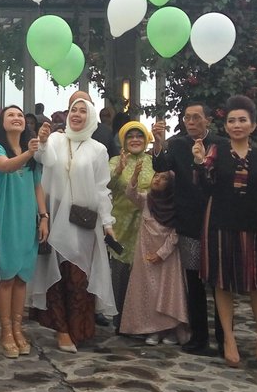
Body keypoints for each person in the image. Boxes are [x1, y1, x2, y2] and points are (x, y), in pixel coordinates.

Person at [195, 95, 257, 368]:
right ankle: (229, 338)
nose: (237, 125)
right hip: (220, 223)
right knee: (222, 282)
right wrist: (201, 164)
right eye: (232, 120)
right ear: (226, 125)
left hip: (253, 226)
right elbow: (206, 188)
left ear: (253, 125)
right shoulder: (216, 151)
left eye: (243, 120)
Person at [31, 94, 116, 352]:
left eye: (82, 111)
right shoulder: (56, 140)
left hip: (83, 223)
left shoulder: (98, 149)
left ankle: (80, 327)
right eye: (73, 110)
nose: (77, 115)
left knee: (79, 277)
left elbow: (102, 189)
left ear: (90, 116)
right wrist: (43, 142)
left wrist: (108, 222)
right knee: (56, 276)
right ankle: (62, 330)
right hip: (55, 219)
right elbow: (41, 159)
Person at [152, 102, 228, 354]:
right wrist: (158, 143)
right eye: (187, 118)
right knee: (194, 283)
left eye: (196, 117)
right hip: (189, 222)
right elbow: (160, 167)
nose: (191, 122)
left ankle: (225, 338)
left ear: (208, 120)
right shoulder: (177, 144)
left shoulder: (222, 144)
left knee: (219, 283)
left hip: (217, 221)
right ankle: (199, 337)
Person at [0, 106, 49, 358]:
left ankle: (18, 327)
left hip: (27, 220)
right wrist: (29, 153)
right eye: (10, 115)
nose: (16, 118)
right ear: (2, 123)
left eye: (19, 115)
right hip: (6, 218)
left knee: (22, 276)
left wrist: (44, 217)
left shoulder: (31, 154)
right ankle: (5, 331)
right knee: (6, 275)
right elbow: (5, 167)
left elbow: (38, 187)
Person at [119, 167, 188, 344]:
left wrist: (162, 253)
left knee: (167, 292)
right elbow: (131, 194)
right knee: (148, 291)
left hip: (167, 258)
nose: (157, 180)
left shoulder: (176, 205)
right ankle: (153, 330)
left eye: (163, 178)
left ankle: (171, 330)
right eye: (156, 176)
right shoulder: (147, 200)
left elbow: (176, 232)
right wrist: (134, 176)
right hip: (146, 256)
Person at [108, 122, 155, 331]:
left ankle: (143, 320)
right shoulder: (116, 160)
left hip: (148, 225)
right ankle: (120, 320)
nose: (135, 140)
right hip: (121, 222)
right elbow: (105, 184)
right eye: (130, 136)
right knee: (120, 272)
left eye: (139, 136)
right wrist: (118, 170)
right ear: (123, 140)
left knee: (144, 272)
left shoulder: (153, 161)